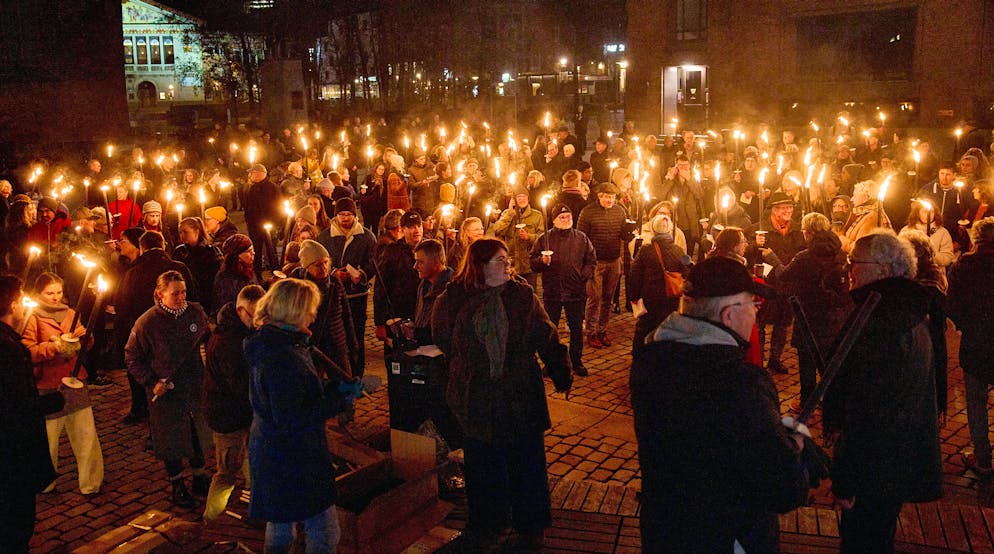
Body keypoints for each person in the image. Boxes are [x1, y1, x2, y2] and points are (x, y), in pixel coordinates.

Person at [631, 256, 808, 552]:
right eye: (753, 305)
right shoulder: (742, 382)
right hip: (727, 536)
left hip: (665, 530)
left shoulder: (650, 360)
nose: (755, 313)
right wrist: (796, 448)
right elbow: (782, 488)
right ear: (729, 315)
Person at [432, 239, 572, 550]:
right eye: (499, 260)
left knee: (526, 460)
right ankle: (487, 522)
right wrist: (468, 365)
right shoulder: (455, 297)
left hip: (518, 393)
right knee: (483, 464)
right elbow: (442, 335)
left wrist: (560, 368)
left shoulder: (521, 295)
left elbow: (544, 332)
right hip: (477, 394)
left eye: (507, 260)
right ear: (480, 266)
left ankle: (530, 524)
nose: (507, 266)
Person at [823, 230, 942, 552]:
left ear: (883, 268)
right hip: (893, 461)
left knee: (864, 541)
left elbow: (867, 408)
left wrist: (846, 477)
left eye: (854, 263)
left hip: (874, 466)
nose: (849, 271)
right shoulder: (901, 310)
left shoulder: (880, 320)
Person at [245, 278, 362, 553]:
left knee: (282, 524)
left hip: (276, 452)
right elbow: (294, 417)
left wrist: (332, 387)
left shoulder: (278, 343)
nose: (313, 314)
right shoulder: (280, 356)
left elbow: (300, 393)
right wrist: (340, 398)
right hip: (292, 457)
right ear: (294, 311)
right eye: (309, 308)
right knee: (324, 532)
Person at [125, 270, 212, 509]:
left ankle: (200, 477)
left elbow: (208, 339)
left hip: (193, 384)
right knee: (171, 439)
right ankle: (177, 485)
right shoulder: (147, 322)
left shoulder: (195, 311)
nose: (181, 297)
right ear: (160, 294)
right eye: (175, 293)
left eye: (183, 291)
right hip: (166, 391)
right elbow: (132, 356)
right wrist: (151, 382)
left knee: (196, 432)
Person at [21, 273, 104, 496]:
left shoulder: (69, 313)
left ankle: (91, 482)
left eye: (58, 292)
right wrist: (53, 347)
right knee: (49, 438)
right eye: (49, 293)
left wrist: (84, 339)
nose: (55, 297)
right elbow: (26, 351)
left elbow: (85, 340)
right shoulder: (31, 317)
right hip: (48, 383)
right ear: (39, 293)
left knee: (85, 433)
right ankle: (46, 480)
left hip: (75, 379)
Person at [0, 275, 65, 551]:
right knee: (17, 524)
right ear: (14, 305)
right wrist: (53, 402)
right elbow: (17, 404)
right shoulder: (8, 349)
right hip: (13, 451)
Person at [114, 231, 195, 425]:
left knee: (144, 366)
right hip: (177, 326)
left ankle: (141, 407)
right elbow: (194, 297)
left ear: (142, 248)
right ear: (164, 245)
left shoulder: (133, 272)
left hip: (144, 329)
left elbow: (122, 304)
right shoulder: (178, 268)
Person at [202, 284, 265, 522]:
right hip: (227, 416)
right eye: (255, 314)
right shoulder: (227, 342)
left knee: (254, 464)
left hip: (246, 412)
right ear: (240, 311)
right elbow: (240, 385)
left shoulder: (247, 332)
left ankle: (257, 509)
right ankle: (211, 518)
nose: (260, 320)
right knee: (227, 471)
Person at [780, 216, 851, 409]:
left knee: (807, 360)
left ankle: (807, 400)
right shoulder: (839, 252)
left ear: (809, 232)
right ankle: (833, 399)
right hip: (835, 316)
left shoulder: (805, 257)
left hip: (809, 315)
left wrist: (770, 259)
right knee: (830, 360)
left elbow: (783, 275)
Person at [948, 217, 994, 475]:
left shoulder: (965, 266)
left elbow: (953, 306)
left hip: (977, 341)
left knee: (976, 401)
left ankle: (983, 457)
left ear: (977, 239)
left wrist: (966, 323)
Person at [530, 204, 596, 376]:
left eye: (568, 217)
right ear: (554, 220)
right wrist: (541, 262)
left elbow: (591, 259)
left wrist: (584, 275)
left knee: (576, 328)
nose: (566, 220)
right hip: (552, 291)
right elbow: (533, 261)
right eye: (562, 217)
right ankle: (551, 362)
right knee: (550, 328)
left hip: (576, 291)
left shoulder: (581, 238)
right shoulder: (544, 239)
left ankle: (576, 361)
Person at [316, 197, 376, 376]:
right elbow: (320, 261)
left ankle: (357, 372)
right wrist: (334, 273)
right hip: (333, 294)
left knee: (356, 334)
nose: (345, 218)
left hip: (357, 295)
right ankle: (340, 373)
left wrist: (362, 275)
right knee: (336, 336)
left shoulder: (366, 237)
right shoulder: (325, 237)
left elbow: (372, 263)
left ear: (354, 215)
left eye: (348, 214)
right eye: (341, 214)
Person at [577, 182, 635, 348]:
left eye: (612, 197)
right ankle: (591, 331)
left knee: (608, 298)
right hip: (596, 262)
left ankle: (602, 329)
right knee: (594, 298)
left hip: (614, 260)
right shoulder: (587, 213)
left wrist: (630, 230)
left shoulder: (620, 211)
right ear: (599, 196)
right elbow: (582, 238)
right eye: (606, 196)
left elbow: (624, 235)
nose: (610, 200)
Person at [629, 214, 689, 348]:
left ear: (653, 230)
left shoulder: (645, 250)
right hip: (671, 297)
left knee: (645, 327)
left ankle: (640, 354)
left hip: (651, 297)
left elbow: (635, 275)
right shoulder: (678, 251)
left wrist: (634, 297)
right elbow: (688, 270)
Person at [491, 186, 545, 288]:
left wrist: (529, 237)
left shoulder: (537, 215)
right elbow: (497, 230)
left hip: (528, 265)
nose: (521, 199)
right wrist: (510, 213)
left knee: (530, 295)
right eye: (519, 197)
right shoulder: (507, 214)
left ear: (528, 199)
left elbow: (542, 238)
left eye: (524, 196)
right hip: (511, 265)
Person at [172, 217, 223, 313]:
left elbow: (217, 280)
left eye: (185, 232)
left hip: (206, 300)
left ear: (196, 231)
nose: (182, 235)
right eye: (180, 232)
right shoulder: (179, 252)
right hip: (185, 299)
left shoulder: (211, 252)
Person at [213, 234, 259, 316]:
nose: (253, 253)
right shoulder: (226, 278)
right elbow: (229, 306)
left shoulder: (248, 269)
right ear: (237, 255)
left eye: (253, 250)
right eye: (249, 251)